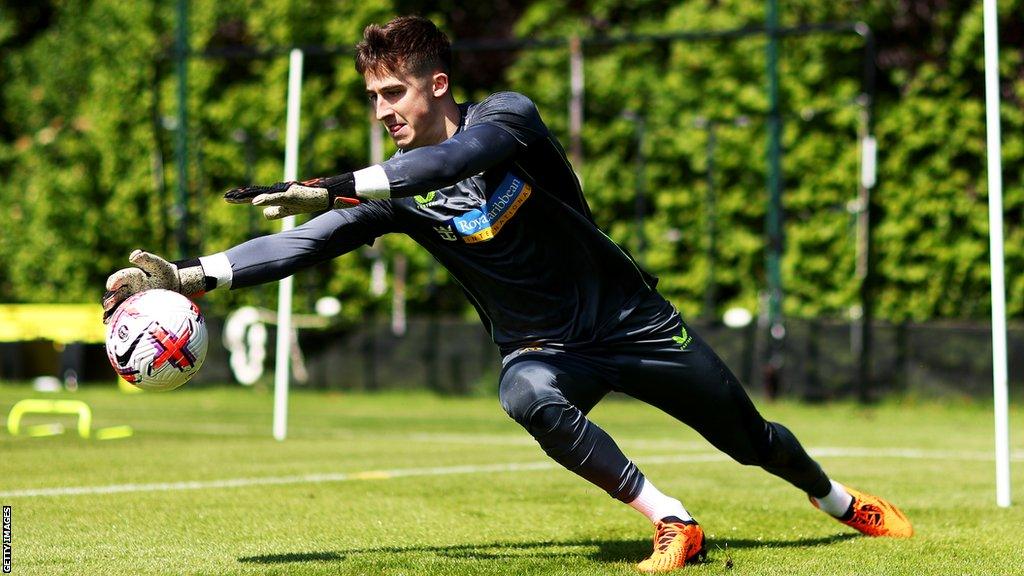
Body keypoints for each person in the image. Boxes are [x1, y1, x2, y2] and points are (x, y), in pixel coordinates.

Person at [102, 15, 912, 573]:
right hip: (544, 349)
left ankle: (839, 501)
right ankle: (674, 521)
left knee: (750, 439)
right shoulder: (396, 191)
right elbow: (304, 244)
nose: (383, 111)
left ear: (438, 84)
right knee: (524, 394)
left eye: (395, 94)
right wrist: (191, 276)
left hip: (632, 322)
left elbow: (455, 161)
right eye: (374, 99)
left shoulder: (508, 119)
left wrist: (342, 182)